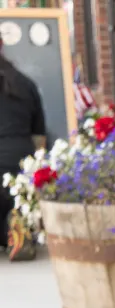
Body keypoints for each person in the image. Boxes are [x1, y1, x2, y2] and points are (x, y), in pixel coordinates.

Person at [0, 39, 46, 259]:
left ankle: (8, 234)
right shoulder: (25, 83)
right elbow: (39, 136)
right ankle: (18, 231)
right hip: (20, 161)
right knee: (17, 201)